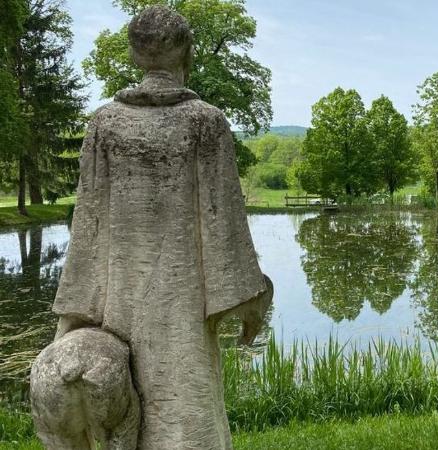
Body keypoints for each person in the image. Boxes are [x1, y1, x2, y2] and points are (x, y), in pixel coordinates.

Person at [46, 5, 272, 449]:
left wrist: (74, 312)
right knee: (188, 405)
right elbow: (225, 225)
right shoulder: (205, 121)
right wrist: (252, 301)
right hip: (183, 303)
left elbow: (88, 226)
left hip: (121, 301)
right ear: (187, 51)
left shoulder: (105, 123)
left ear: (134, 54)